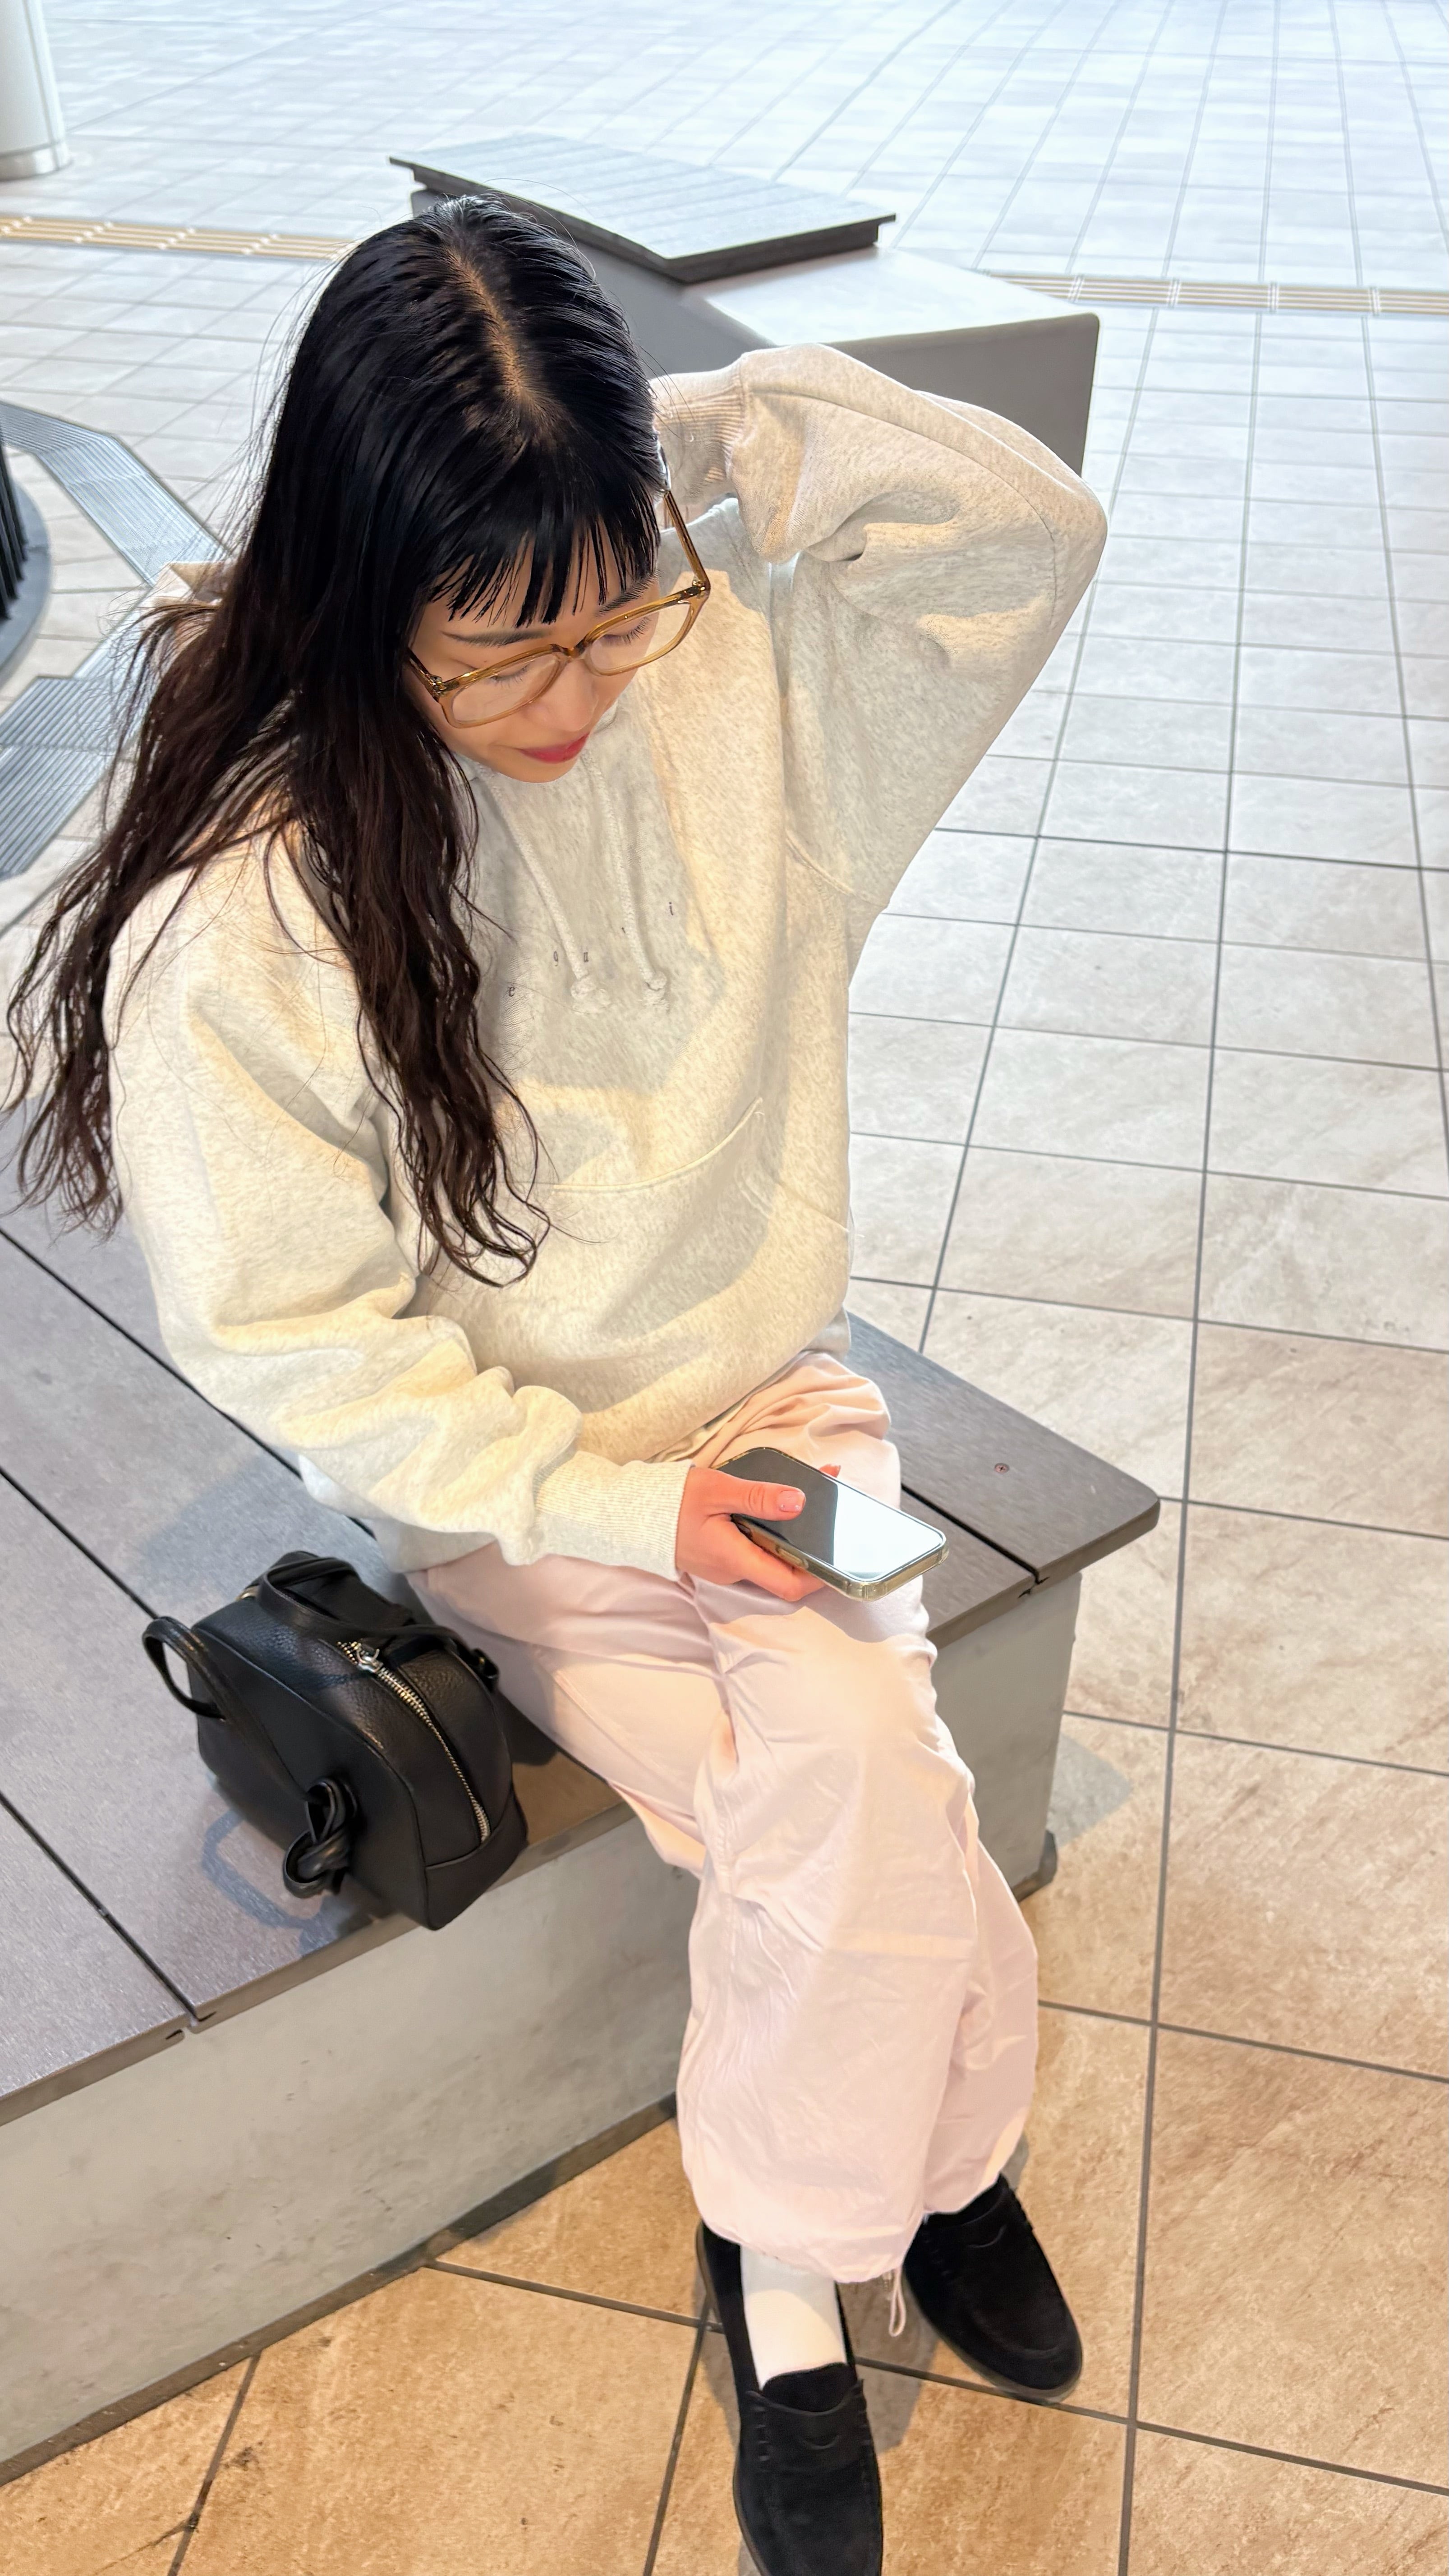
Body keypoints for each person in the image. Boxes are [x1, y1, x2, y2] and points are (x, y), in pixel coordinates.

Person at [8, 197, 1105, 2575]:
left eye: (613, 614)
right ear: (356, 587)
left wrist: (662, 448)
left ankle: (794, 2255)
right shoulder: (251, 902)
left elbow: (1029, 526)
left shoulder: (731, 681)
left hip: (779, 1412)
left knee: (857, 1774)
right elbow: (303, 1347)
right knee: (866, 1795)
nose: (576, 693)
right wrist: (623, 1514)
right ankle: (920, 2188)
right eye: (501, 644)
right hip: (521, 1496)